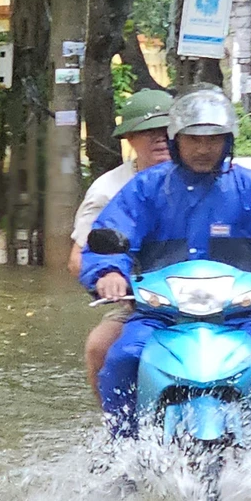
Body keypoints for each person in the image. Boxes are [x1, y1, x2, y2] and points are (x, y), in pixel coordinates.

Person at [79, 85, 251, 421]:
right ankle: (123, 444)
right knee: (123, 359)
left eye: (213, 139)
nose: (203, 148)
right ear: (177, 140)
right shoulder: (147, 188)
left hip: (236, 317)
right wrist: (109, 272)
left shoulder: (249, 187)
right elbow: (115, 231)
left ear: (228, 141)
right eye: (194, 139)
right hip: (158, 316)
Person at [68, 89, 174, 396]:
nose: (160, 139)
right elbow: (79, 257)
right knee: (100, 347)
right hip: (142, 300)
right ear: (129, 138)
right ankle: (115, 429)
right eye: (148, 132)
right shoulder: (109, 190)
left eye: (166, 130)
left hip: (204, 295)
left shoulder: (203, 179)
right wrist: (113, 282)